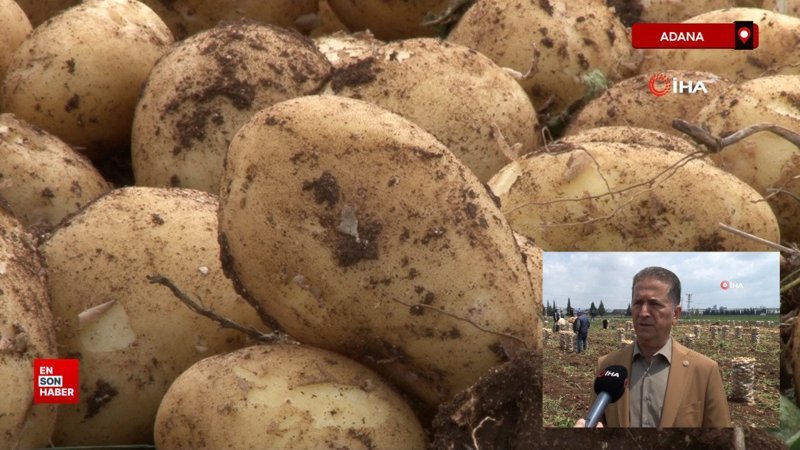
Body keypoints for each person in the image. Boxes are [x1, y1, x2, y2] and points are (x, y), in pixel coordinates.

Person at [576, 267, 731, 428]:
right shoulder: (608, 366)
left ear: (676, 314)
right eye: (637, 303)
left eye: (654, 304)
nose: (643, 312)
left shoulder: (704, 371)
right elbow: (598, 424)